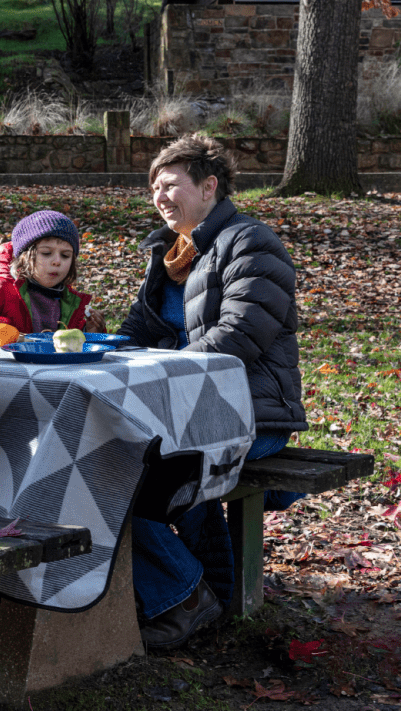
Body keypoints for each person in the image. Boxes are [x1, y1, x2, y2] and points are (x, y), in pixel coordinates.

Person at [117, 134, 307, 651]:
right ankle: (200, 589)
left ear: (208, 187)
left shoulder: (252, 243)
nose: (159, 195)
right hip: (181, 411)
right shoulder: (171, 253)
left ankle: (182, 597)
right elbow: (135, 329)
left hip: (251, 415)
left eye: (170, 184)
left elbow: (238, 338)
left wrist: (162, 371)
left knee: (131, 481)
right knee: (102, 463)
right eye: (153, 186)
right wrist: (96, 350)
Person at [0, 210, 98, 334]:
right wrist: (4, 328)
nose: (57, 261)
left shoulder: (71, 302)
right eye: (46, 253)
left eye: (65, 255)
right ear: (24, 257)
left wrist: (90, 331)